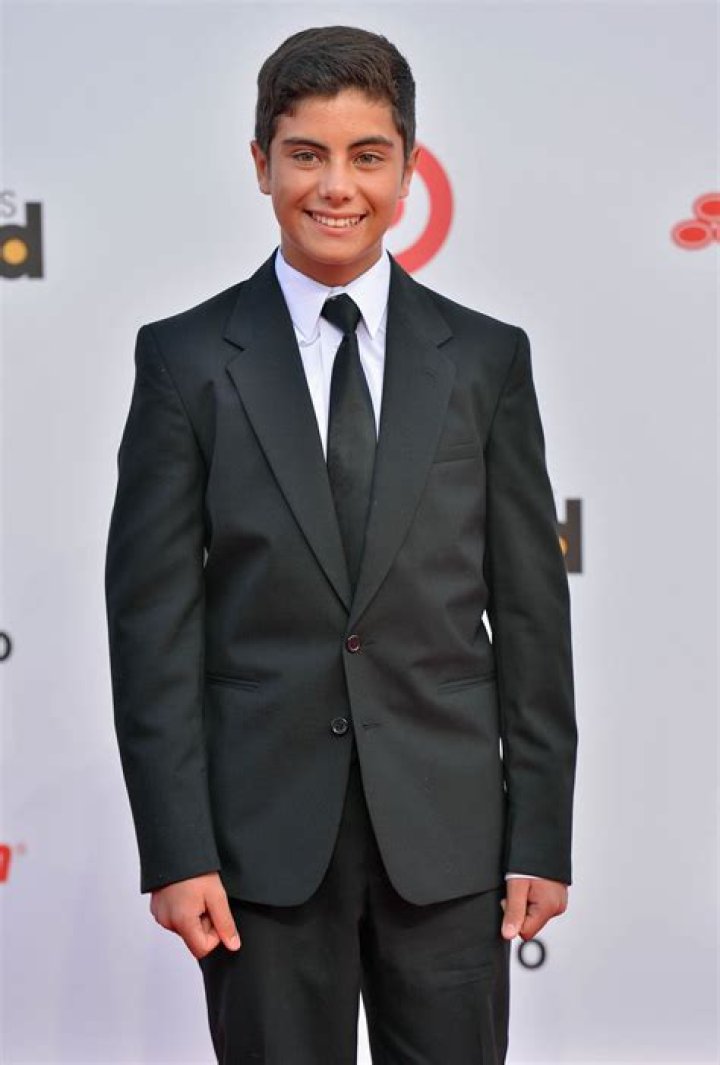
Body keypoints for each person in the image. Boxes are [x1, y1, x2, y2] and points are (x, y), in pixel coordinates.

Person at [105, 24, 577, 1065]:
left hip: (450, 843)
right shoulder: (186, 360)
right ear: (261, 164)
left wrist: (541, 831)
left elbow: (533, 615)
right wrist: (176, 849)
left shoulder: (485, 359)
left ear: (408, 170)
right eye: (305, 154)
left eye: (367, 155)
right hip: (258, 853)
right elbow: (152, 629)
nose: (336, 186)